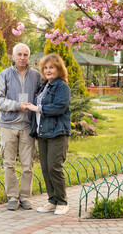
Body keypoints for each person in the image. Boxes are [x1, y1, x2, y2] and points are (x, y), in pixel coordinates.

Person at [0, 43, 41, 211]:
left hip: (28, 126)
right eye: (19, 54)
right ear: (13, 56)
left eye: (25, 54)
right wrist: (16, 105)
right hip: (8, 125)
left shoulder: (36, 76)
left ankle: (26, 197)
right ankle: (12, 197)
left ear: (29, 57)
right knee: (9, 163)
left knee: (28, 164)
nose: (22, 57)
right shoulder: (4, 75)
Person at [25, 54, 71, 215]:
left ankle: (62, 202)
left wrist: (38, 109)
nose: (48, 70)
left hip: (57, 132)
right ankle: (52, 200)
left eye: (51, 67)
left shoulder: (62, 87)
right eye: (45, 68)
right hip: (42, 132)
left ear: (59, 69)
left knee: (54, 167)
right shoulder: (45, 86)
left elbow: (59, 107)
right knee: (45, 168)